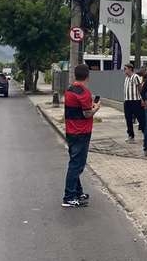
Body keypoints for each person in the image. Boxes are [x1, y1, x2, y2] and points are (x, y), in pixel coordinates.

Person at [62, 64, 101, 208]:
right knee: (76, 165)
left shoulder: (70, 89)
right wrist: (96, 108)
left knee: (75, 162)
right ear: (88, 76)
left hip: (71, 130)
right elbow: (87, 113)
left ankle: (77, 192)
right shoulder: (83, 92)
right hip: (81, 131)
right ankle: (69, 196)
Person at [122, 63, 144, 144]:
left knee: (140, 118)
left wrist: (142, 99)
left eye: (125, 69)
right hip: (127, 101)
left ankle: (146, 134)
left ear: (130, 69)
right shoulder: (126, 78)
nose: (124, 70)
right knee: (128, 119)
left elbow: (140, 88)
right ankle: (131, 136)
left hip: (135, 101)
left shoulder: (136, 77)